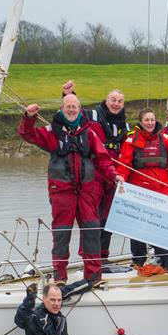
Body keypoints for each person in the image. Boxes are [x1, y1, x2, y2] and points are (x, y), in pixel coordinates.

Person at [19, 94, 124, 291]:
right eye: (68, 106)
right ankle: (60, 276)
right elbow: (28, 135)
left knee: (92, 231)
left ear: (79, 108)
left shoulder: (89, 132)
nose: (71, 110)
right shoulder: (52, 132)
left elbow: (103, 158)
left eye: (74, 106)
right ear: (62, 108)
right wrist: (29, 118)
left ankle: (93, 276)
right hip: (62, 191)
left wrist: (114, 175)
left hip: (86, 190)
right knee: (61, 233)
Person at [62, 81, 130, 263]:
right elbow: (72, 113)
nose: (116, 104)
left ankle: (103, 257)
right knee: (91, 218)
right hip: (93, 174)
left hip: (113, 176)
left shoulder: (126, 126)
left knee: (108, 218)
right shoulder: (91, 115)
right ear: (106, 101)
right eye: (113, 100)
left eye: (120, 101)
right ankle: (89, 258)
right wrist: (69, 94)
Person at [117, 108, 168, 273]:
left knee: (163, 228)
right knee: (137, 230)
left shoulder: (164, 138)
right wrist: (120, 177)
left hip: (162, 192)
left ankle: (167, 261)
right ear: (141, 122)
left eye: (152, 119)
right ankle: (138, 261)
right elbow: (123, 164)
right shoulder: (131, 141)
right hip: (139, 193)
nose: (150, 123)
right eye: (146, 120)